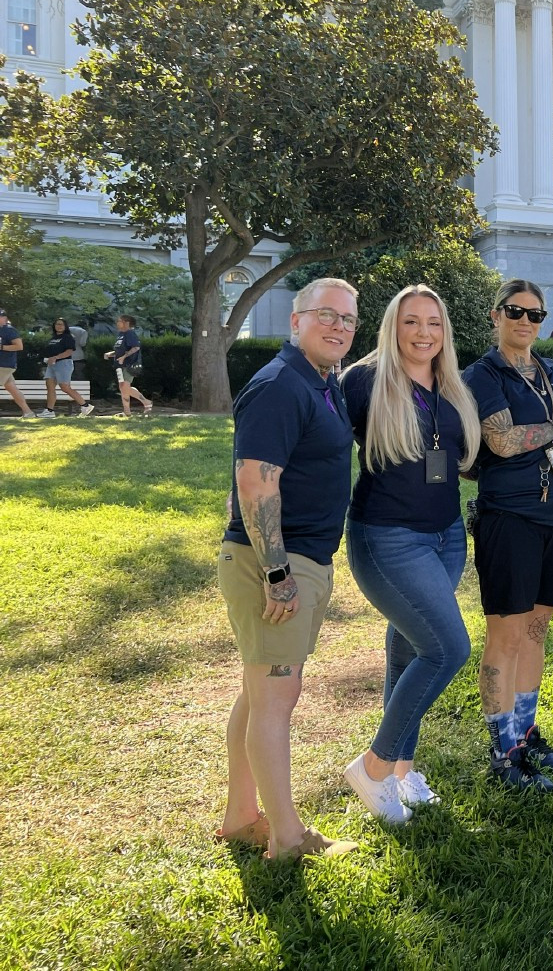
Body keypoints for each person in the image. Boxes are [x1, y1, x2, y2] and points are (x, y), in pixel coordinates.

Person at [216, 278, 362, 862]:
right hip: (276, 564)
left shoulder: (320, 382)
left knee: (259, 697)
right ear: (296, 321)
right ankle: (288, 837)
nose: (339, 327)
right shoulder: (280, 384)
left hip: (302, 558)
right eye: (326, 315)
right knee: (278, 697)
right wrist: (277, 573)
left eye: (349, 320)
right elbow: (255, 480)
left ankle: (240, 817)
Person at [338, 285, 482, 822]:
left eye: (434, 323)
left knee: (408, 649)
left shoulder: (450, 385)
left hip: (446, 535)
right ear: (392, 328)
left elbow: (463, 459)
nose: (424, 333)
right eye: (411, 323)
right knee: (446, 649)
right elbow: (326, 446)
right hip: (388, 537)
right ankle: (373, 769)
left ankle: (402, 770)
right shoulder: (366, 380)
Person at [463, 281, 553, 791]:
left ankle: (525, 730)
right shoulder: (483, 374)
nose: (525, 321)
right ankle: (502, 748)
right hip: (511, 519)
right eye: (515, 312)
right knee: (507, 634)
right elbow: (501, 439)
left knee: (538, 630)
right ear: (496, 315)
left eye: (535, 315)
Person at [40, 317, 93, 417]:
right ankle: (49, 411)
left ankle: (85, 405)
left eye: (61, 324)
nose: (59, 326)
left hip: (64, 363)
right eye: (57, 324)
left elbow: (69, 351)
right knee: (50, 386)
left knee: (64, 387)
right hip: (52, 364)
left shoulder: (68, 337)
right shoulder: (53, 338)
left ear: (65, 326)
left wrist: (56, 357)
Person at [103, 314, 153, 417]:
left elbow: (135, 348)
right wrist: (111, 354)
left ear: (127, 323)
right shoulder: (121, 334)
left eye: (119, 321)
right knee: (123, 387)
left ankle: (141, 405)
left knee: (124, 386)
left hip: (128, 364)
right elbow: (120, 350)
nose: (117, 323)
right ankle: (131, 410)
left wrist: (124, 357)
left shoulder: (130, 333)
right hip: (119, 365)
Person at [0, 308, 38, 419]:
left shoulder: (9, 330)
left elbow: (19, 346)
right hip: (4, 366)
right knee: (12, 388)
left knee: (12, 388)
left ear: (4, 318)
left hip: (4, 365)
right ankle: (28, 412)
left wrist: (2, 347)